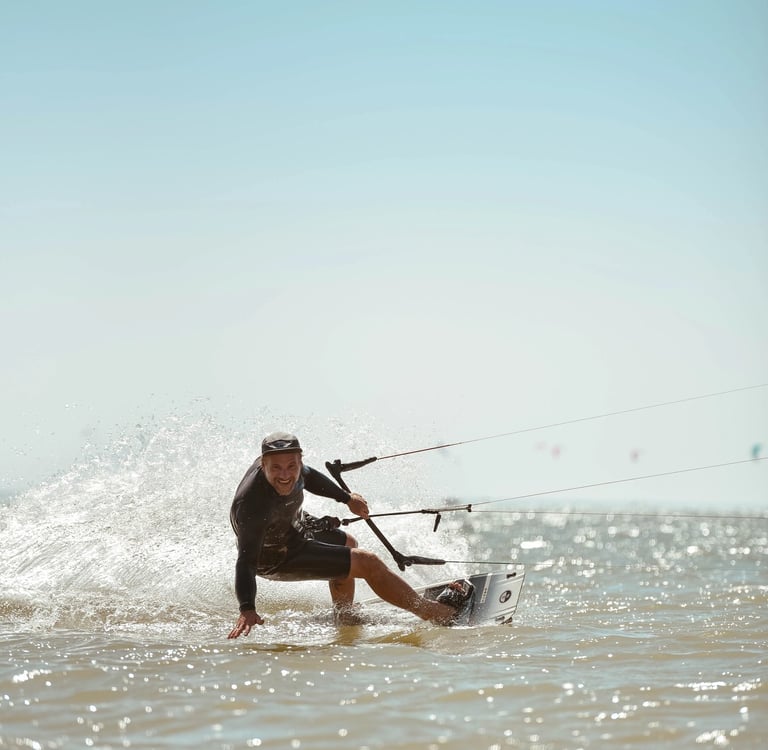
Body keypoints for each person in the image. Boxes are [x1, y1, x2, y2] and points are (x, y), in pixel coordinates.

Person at [227, 431, 474, 638]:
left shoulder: (296, 469)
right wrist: (247, 607)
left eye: (292, 466)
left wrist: (347, 499)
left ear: (299, 461)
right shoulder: (251, 506)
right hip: (274, 557)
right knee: (367, 562)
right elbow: (246, 561)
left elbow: (311, 477)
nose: (285, 475)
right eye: (276, 468)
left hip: (294, 529)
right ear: (262, 464)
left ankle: (344, 615)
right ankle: (435, 613)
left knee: (348, 542)